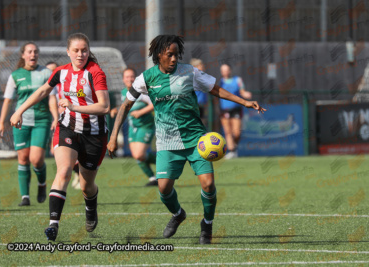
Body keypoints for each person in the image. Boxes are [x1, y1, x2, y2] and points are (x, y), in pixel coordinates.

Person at [107, 35, 265, 244]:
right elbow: (126, 106)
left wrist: (243, 101)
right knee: (163, 188)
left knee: (208, 185)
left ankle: (207, 225)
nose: (174, 59)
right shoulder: (146, 78)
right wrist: (112, 136)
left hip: (196, 139)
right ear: (158, 55)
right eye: (169, 54)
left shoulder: (189, 72)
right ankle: (178, 214)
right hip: (166, 142)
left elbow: (215, 89)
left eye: (176, 54)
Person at [10, 33, 110, 241]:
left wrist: (74, 105)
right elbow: (41, 92)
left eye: (84, 50)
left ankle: (90, 205)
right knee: (63, 171)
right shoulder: (60, 72)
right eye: (76, 50)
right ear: (68, 52)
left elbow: (104, 106)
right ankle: (53, 225)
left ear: (89, 51)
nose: (80, 54)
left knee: (86, 186)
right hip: (68, 129)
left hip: (94, 135)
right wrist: (19, 110)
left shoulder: (95, 72)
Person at [0, 42, 59, 207]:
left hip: (41, 120)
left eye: (36, 52)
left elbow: (52, 98)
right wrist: (1, 123)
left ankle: (42, 184)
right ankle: (25, 197)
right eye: (30, 52)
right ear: (23, 55)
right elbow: (8, 101)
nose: (33, 54)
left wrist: (55, 117)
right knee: (23, 158)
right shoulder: (15, 75)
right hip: (21, 121)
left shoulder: (47, 73)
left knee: (36, 159)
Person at [111, 68, 157, 186]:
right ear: (123, 79)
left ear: (135, 78)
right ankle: (153, 178)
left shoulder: (141, 91)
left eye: (132, 76)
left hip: (145, 126)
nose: (129, 79)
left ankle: (164, 163)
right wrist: (116, 110)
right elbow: (125, 106)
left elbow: (154, 104)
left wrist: (140, 112)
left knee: (139, 155)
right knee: (137, 155)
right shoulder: (123, 93)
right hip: (133, 127)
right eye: (127, 77)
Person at [46, 61, 81, 190]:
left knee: (69, 151)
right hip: (55, 120)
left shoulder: (67, 83)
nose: (52, 73)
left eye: (54, 70)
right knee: (54, 151)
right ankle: (77, 173)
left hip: (70, 121)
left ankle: (79, 174)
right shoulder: (48, 86)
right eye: (49, 71)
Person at [219, 64, 252, 159]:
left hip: (236, 109)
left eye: (226, 70)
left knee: (236, 133)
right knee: (227, 132)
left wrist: (246, 95)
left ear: (230, 70)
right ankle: (232, 151)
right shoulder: (220, 82)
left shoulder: (237, 80)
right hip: (224, 110)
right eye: (223, 70)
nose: (225, 72)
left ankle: (234, 146)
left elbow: (242, 92)